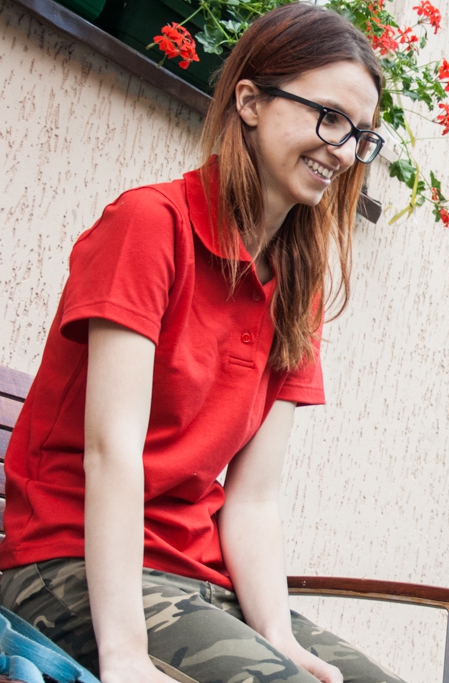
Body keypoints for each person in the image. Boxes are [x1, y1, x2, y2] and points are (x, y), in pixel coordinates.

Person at [0, 5, 402, 683]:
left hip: (196, 575)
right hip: (65, 564)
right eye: (328, 117)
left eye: (360, 134)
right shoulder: (151, 226)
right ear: (249, 99)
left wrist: (281, 636)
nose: (342, 148)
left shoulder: (298, 284)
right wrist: (125, 654)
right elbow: (111, 450)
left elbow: (252, 499)